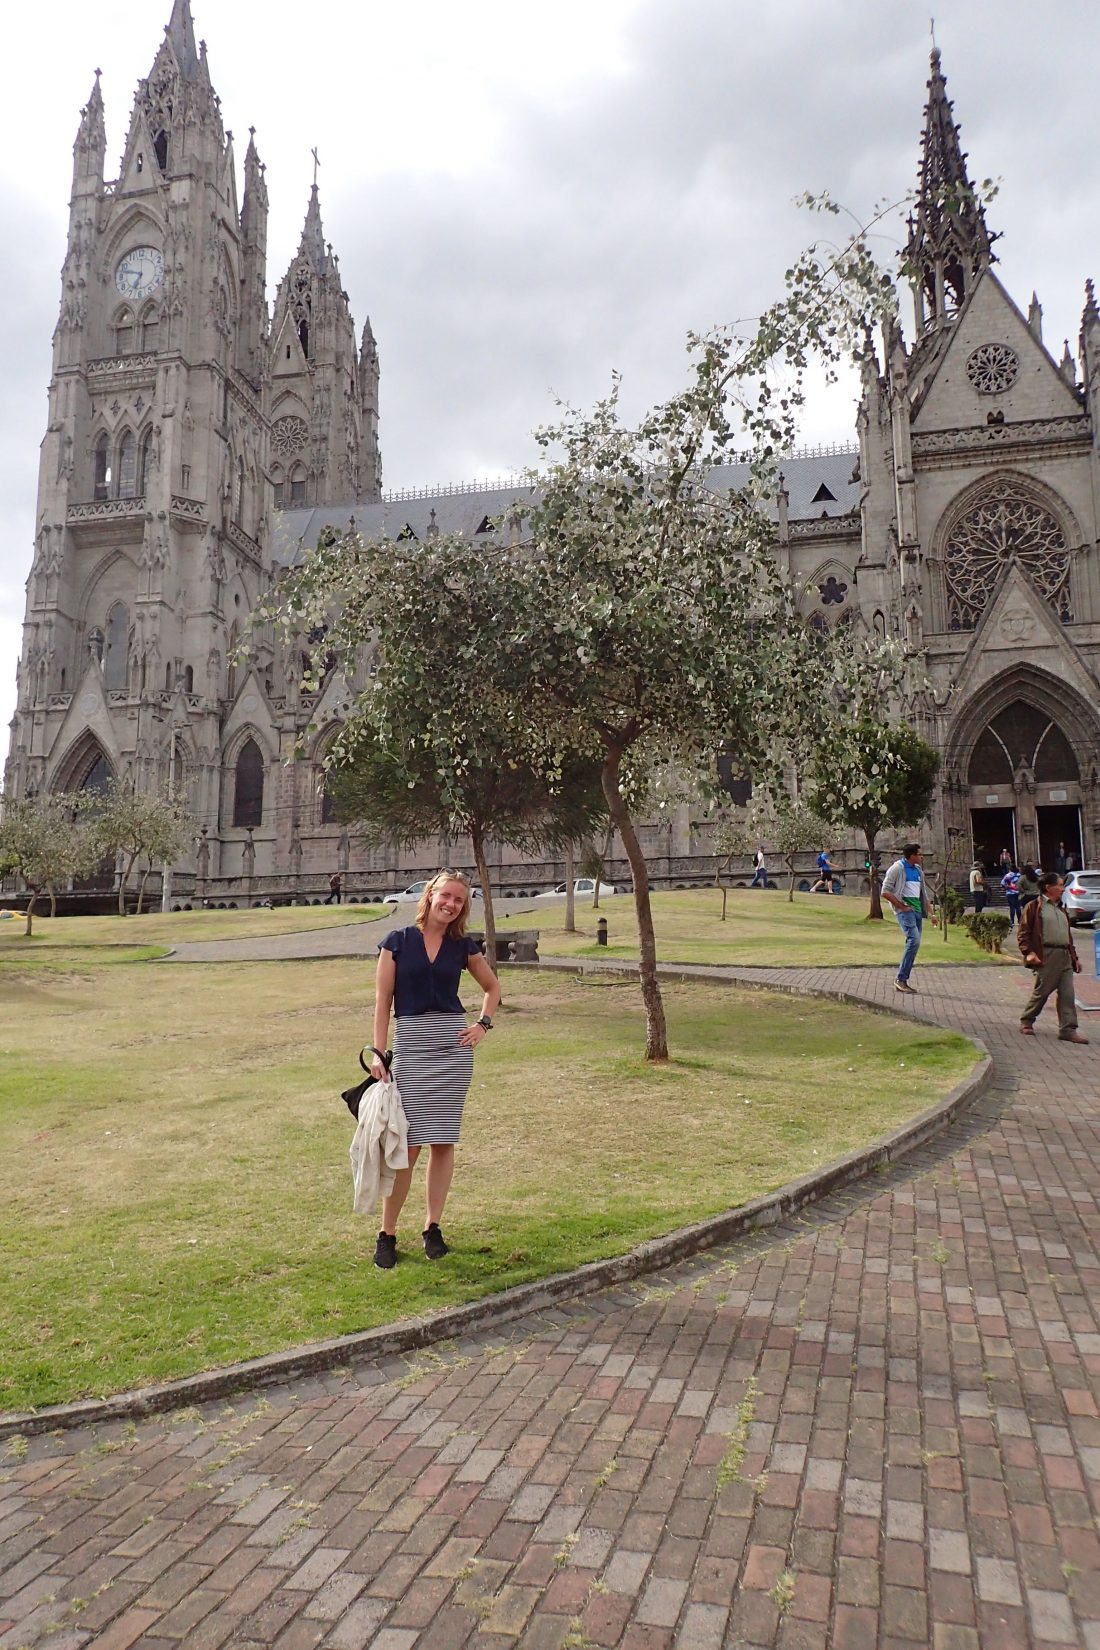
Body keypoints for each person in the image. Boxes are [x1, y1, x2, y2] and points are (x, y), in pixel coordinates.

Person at [370, 870, 501, 1268]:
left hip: (451, 1049)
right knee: (406, 1146)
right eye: (446, 895)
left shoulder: (463, 946)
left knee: (443, 1143)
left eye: (459, 900)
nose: (451, 904)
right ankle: (387, 1233)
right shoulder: (397, 942)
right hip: (411, 1044)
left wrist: (482, 1024)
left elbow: (493, 989)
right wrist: (379, 1053)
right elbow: (382, 1001)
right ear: (430, 895)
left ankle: (432, 1227)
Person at [1018, 872, 1088, 1043]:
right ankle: (1027, 1019)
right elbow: (1023, 933)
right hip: (1046, 955)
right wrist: (1029, 953)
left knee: (1067, 993)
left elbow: (1067, 936)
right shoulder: (1035, 907)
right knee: (1042, 991)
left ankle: (1068, 1029)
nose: (1063, 889)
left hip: (1064, 955)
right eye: (1059, 885)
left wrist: (1074, 957)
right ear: (1048, 888)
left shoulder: (1061, 909)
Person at [882, 843, 933, 993]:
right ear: (912, 856)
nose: (922, 856)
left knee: (915, 944)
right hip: (905, 912)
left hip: (917, 911)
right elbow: (885, 891)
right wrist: (902, 906)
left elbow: (923, 894)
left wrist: (931, 913)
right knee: (914, 940)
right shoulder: (897, 868)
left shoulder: (918, 870)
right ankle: (901, 979)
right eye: (919, 854)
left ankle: (902, 979)